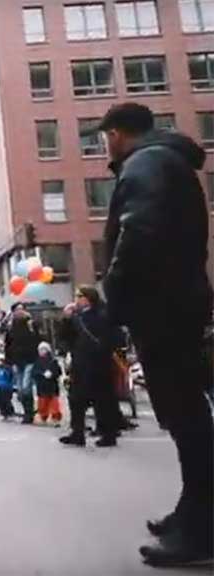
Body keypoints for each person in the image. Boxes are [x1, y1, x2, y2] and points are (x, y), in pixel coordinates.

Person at [97, 102, 213, 566]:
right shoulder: (167, 161)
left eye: (105, 136)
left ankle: (202, 529)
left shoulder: (145, 163)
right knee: (186, 416)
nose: (105, 144)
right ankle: (195, 510)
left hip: (161, 306)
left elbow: (138, 233)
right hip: (174, 303)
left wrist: (115, 294)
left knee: (186, 417)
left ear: (117, 133)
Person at [58, 286, 119, 447]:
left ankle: (108, 434)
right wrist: (66, 318)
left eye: (79, 296)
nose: (76, 299)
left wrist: (103, 351)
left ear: (87, 298)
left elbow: (113, 337)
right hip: (80, 363)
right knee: (76, 399)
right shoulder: (76, 317)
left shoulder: (102, 315)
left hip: (99, 364)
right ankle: (77, 432)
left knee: (102, 401)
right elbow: (64, 337)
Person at [5, 303, 40, 424]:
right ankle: (27, 411)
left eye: (22, 309)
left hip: (30, 359)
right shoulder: (11, 327)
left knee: (26, 387)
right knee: (20, 389)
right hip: (17, 361)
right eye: (17, 310)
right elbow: (8, 345)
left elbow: (39, 339)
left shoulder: (31, 324)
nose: (20, 312)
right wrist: (9, 361)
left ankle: (29, 414)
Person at [31, 342, 62, 426]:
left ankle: (55, 418)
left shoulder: (53, 360)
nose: (42, 351)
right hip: (42, 386)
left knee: (54, 404)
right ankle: (43, 417)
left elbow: (58, 371)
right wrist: (41, 374)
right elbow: (34, 372)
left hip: (52, 386)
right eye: (40, 349)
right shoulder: (37, 361)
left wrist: (52, 373)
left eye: (44, 349)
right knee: (42, 404)